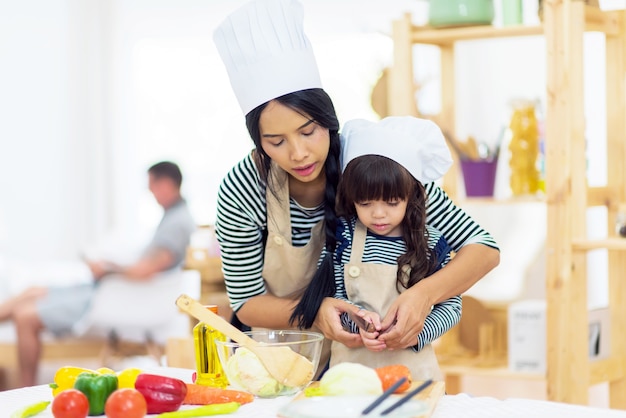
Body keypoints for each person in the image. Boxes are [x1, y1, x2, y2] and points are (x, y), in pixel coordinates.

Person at [212, 0, 499, 365]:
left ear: (328, 119)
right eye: (276, 142)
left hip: (371, 363)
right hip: (285, 362)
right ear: (258, 142)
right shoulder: (243, 187)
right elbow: (247, 304)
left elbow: (484, 248)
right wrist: (314, 312)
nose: (298, 153)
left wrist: (424, 294)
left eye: (308, 131)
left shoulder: (370, 165)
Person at [291, 116, 461, 380]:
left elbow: (451, 306)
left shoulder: (432, 243)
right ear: (352, 198)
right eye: (366, 203)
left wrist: (415, 333)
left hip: (415, 378)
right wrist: (359, 324)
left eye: (392, 203)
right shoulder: (342, 235)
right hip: (349, 377)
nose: (379, 214)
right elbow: (334, 294)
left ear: (411, 195)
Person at [0, 161, 196, 387]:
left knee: (25, 315)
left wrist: (108, 268)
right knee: (32, 291)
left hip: (117, 298)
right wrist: (112, 265)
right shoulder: (174, 216)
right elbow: (146, 265)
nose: (149, 192)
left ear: (166, 184)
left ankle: (26, 390)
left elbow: (145, 270)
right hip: (113, 290)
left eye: (151, 185)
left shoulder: (176, 223)